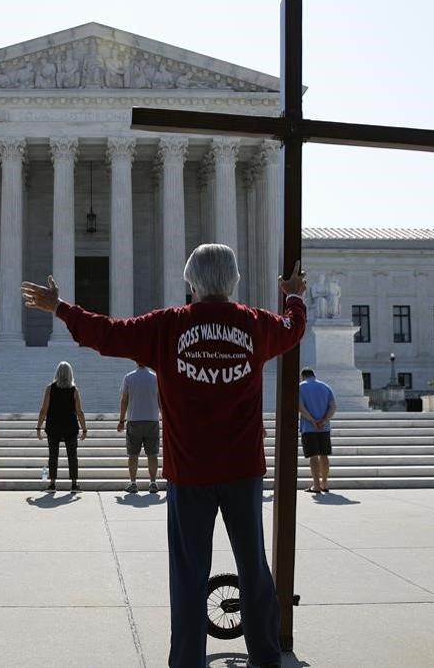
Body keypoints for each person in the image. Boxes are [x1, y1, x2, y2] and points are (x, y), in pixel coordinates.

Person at [23, 243, 307, 668]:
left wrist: (61, 308)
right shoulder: (256, 325)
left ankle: (187, 661)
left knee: (189, 576)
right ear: (233, 282)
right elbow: (293, 327)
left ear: (190, 282)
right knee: (254, 570)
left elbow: (106, 333)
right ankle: (265, 657)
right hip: (242, 469)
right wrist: (293, 295)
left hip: (189, 471)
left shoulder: (168, 326)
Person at [36, 361, 88, 492]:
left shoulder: (50, 388)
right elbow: (79, 411)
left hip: (53, 425)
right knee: (72, 455)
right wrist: (84, 428)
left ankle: (52, 484)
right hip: (70, 426)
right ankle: (74, 484)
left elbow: (44, 409)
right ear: (70, 374)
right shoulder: (74, 390)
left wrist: (38, 427)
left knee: (53, 455)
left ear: (57, 373)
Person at [119, 361, 161, 494]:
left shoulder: (129, 377)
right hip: (152, 419)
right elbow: (160, 400)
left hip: (134, 420)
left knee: (133, 454)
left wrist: (121, 420)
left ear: (136, 362)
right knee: (152, 454)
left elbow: (124, 400)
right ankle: (153, 482)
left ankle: (133, 483)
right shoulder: (155, 378)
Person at [298, 368, 337, 494]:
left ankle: (316, 485)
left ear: (303, 376)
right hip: (324, 428)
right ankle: (324, 483)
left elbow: (300, 407)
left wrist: (312, 421)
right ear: (314, 375)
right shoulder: (326, 387)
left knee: (313, 456)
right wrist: (324, 420)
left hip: (309, 428)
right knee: (324, 455)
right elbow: (333, 407)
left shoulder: (300, 387)